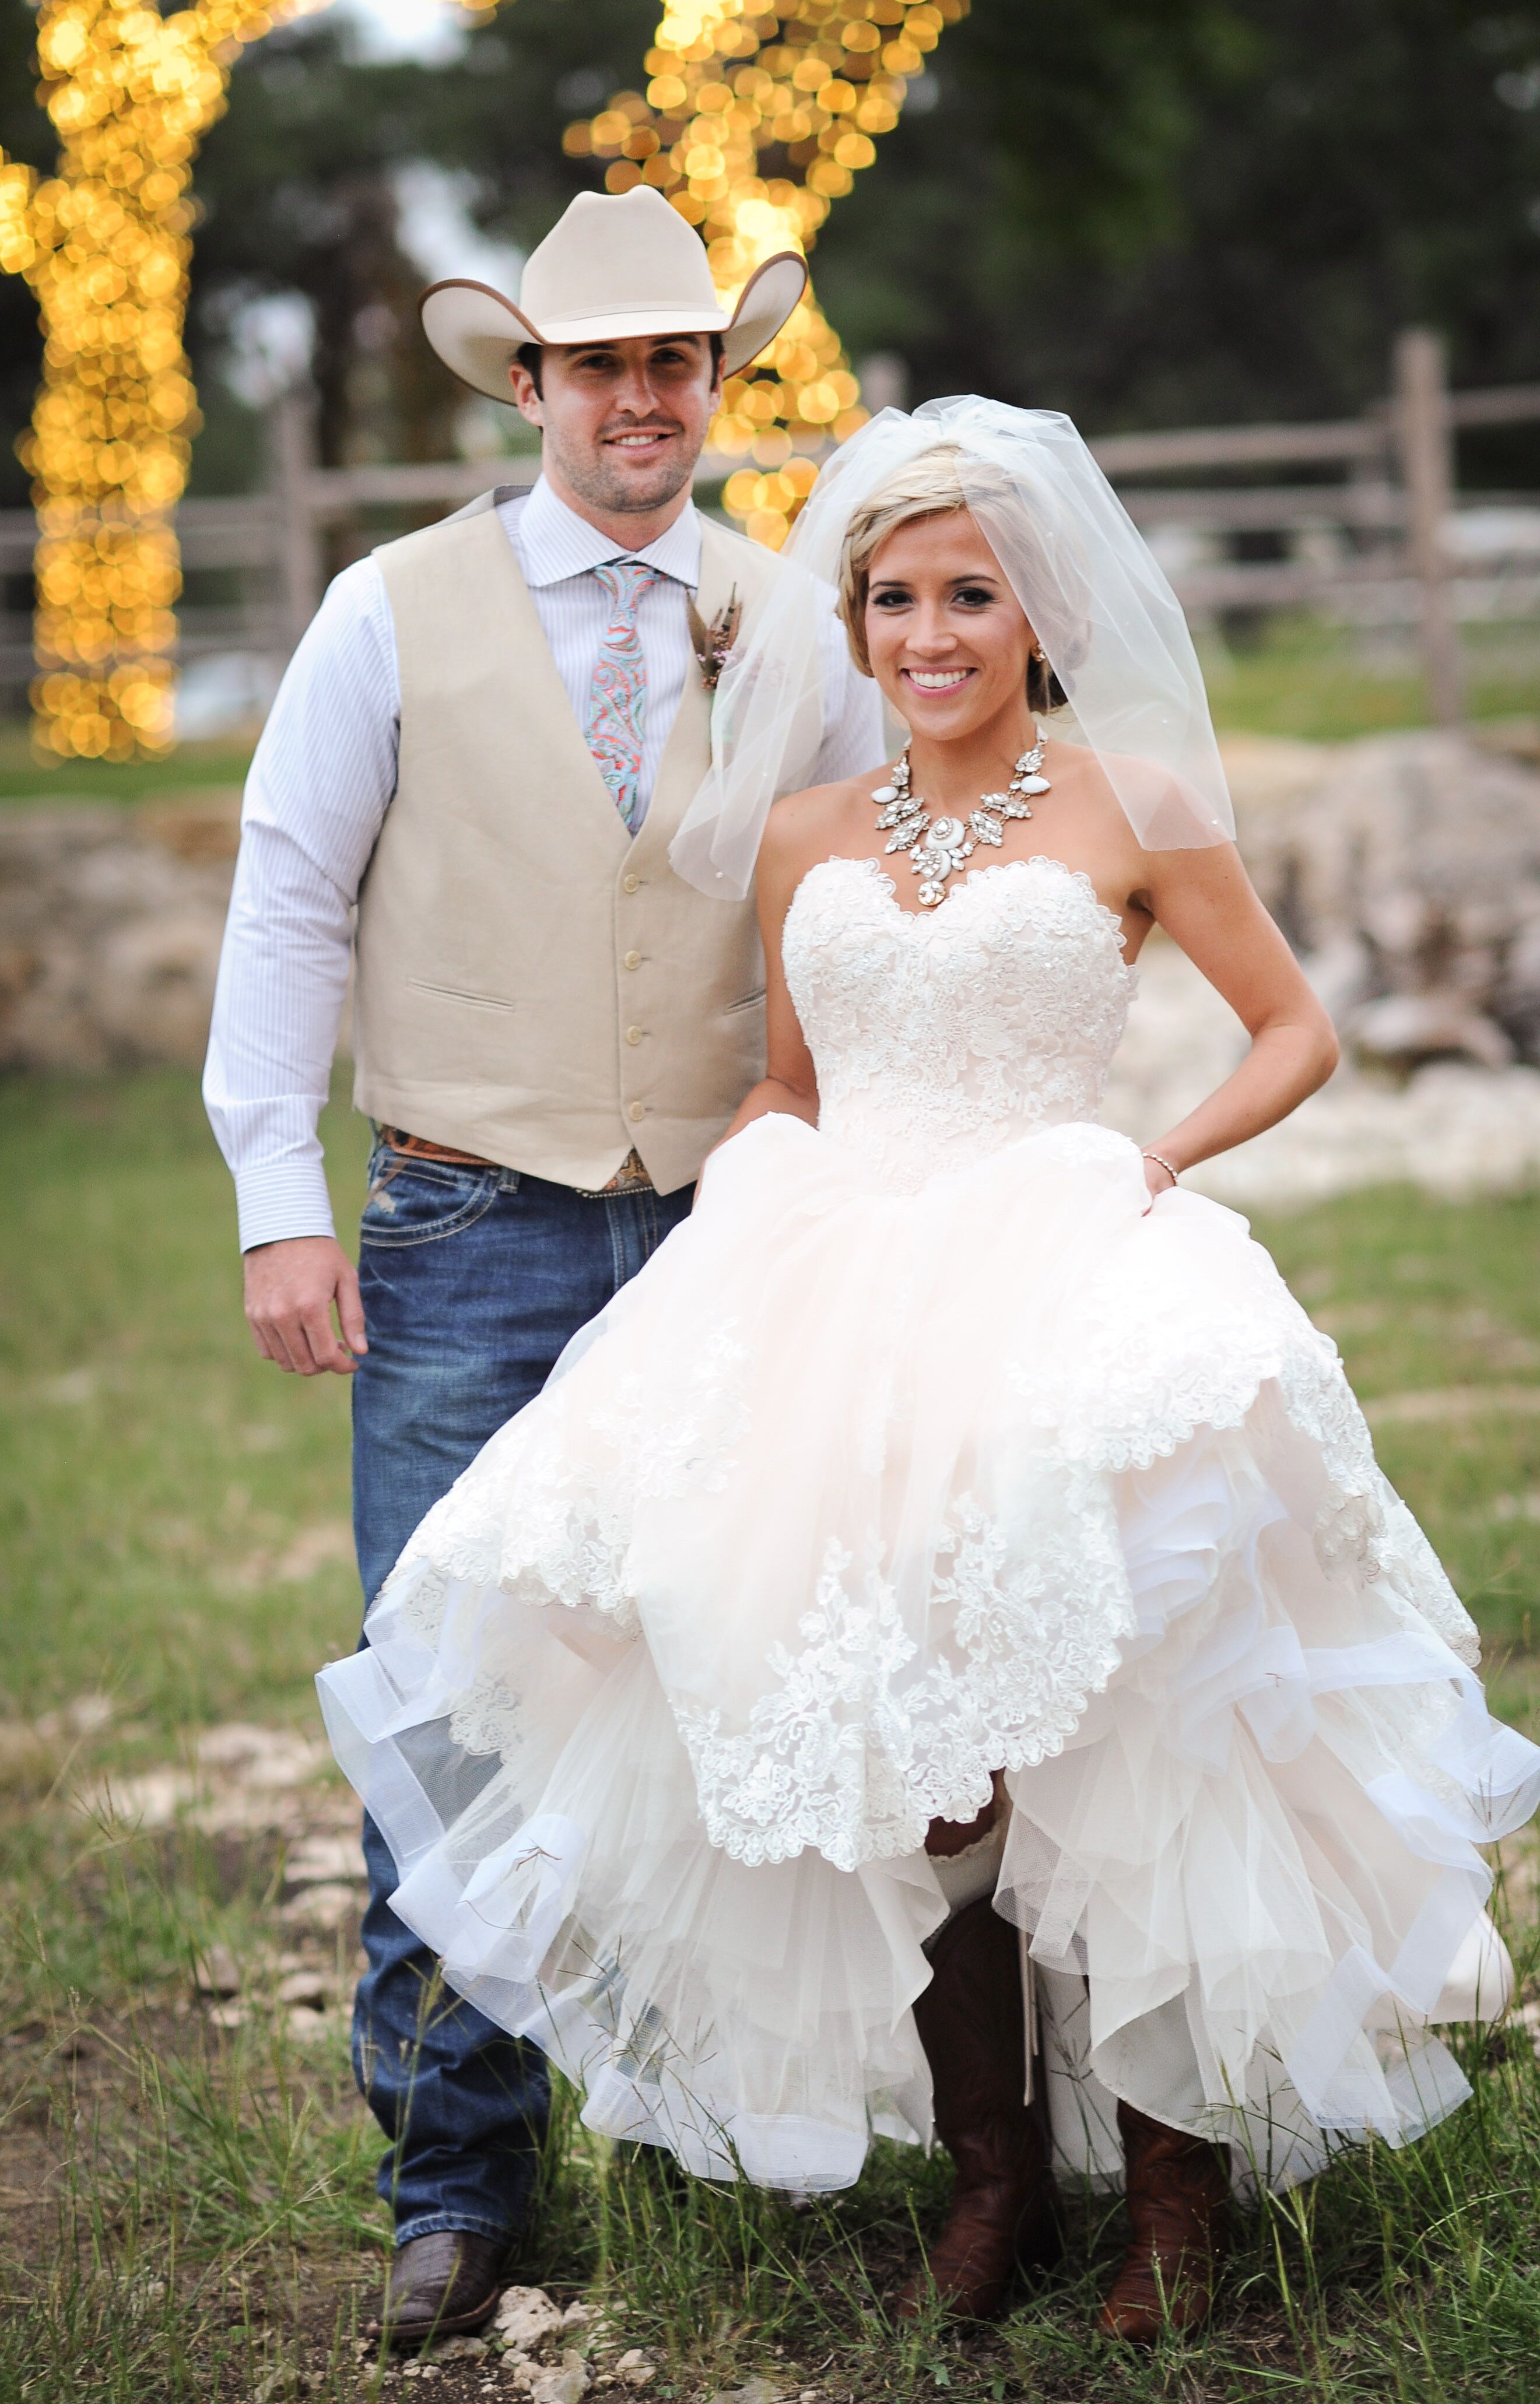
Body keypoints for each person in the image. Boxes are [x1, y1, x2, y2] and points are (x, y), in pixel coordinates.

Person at [315, 397, 1540, 2345]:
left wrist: (1149, 1159)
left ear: (1033, 611)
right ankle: (991, 2177)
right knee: (917, 1745)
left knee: (1115, 1716)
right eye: (889, 597)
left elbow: (1291, 1028)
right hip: (841, 1294)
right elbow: (792, 1079)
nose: (925, 633)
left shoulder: (1132, 807)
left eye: (966, 591)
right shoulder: (798, 834)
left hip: (1058, 1266)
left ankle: (1167, 2195)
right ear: (855, 625)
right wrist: (748, 1197)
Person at [204, 186, 885, 2346]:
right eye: (598, 365)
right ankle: (455, 2181)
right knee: (451, 1699)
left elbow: (860, 911)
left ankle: (734, 2121)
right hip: (460, 1214)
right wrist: (273, 1190)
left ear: (713, 382)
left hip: (724, 1222)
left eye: (675, 362)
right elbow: (290, 897)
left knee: (743, 1684)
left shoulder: (794, 619)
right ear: (528, 386)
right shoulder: (385, 610)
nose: (641, 400)